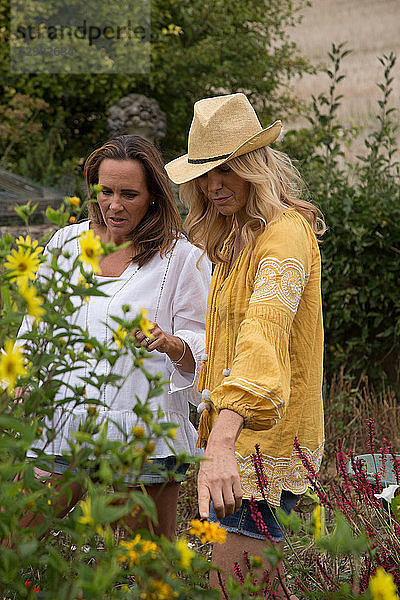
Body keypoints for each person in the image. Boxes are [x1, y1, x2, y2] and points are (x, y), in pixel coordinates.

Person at [165, 93, 325, 595]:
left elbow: (264, 331)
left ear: (255, 165)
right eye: (204, 173)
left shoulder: (284, 236)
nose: (214, 185)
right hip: (242, 437)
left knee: (232, 587)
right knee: (259, 588)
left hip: (263, 442)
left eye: (228, 169)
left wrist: (223, 439)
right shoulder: (235, 236)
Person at [17, 135, 211, 540]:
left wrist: (173, 343)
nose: (114, 206)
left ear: (155, 195)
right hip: (66, 421)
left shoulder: (181, 257)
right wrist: (23, 382)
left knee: (147, 562)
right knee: (14, 536)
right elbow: (36, 328)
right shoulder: (67, 245)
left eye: (129, 194)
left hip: (144, 429)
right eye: (106, 192)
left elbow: (205, 344)